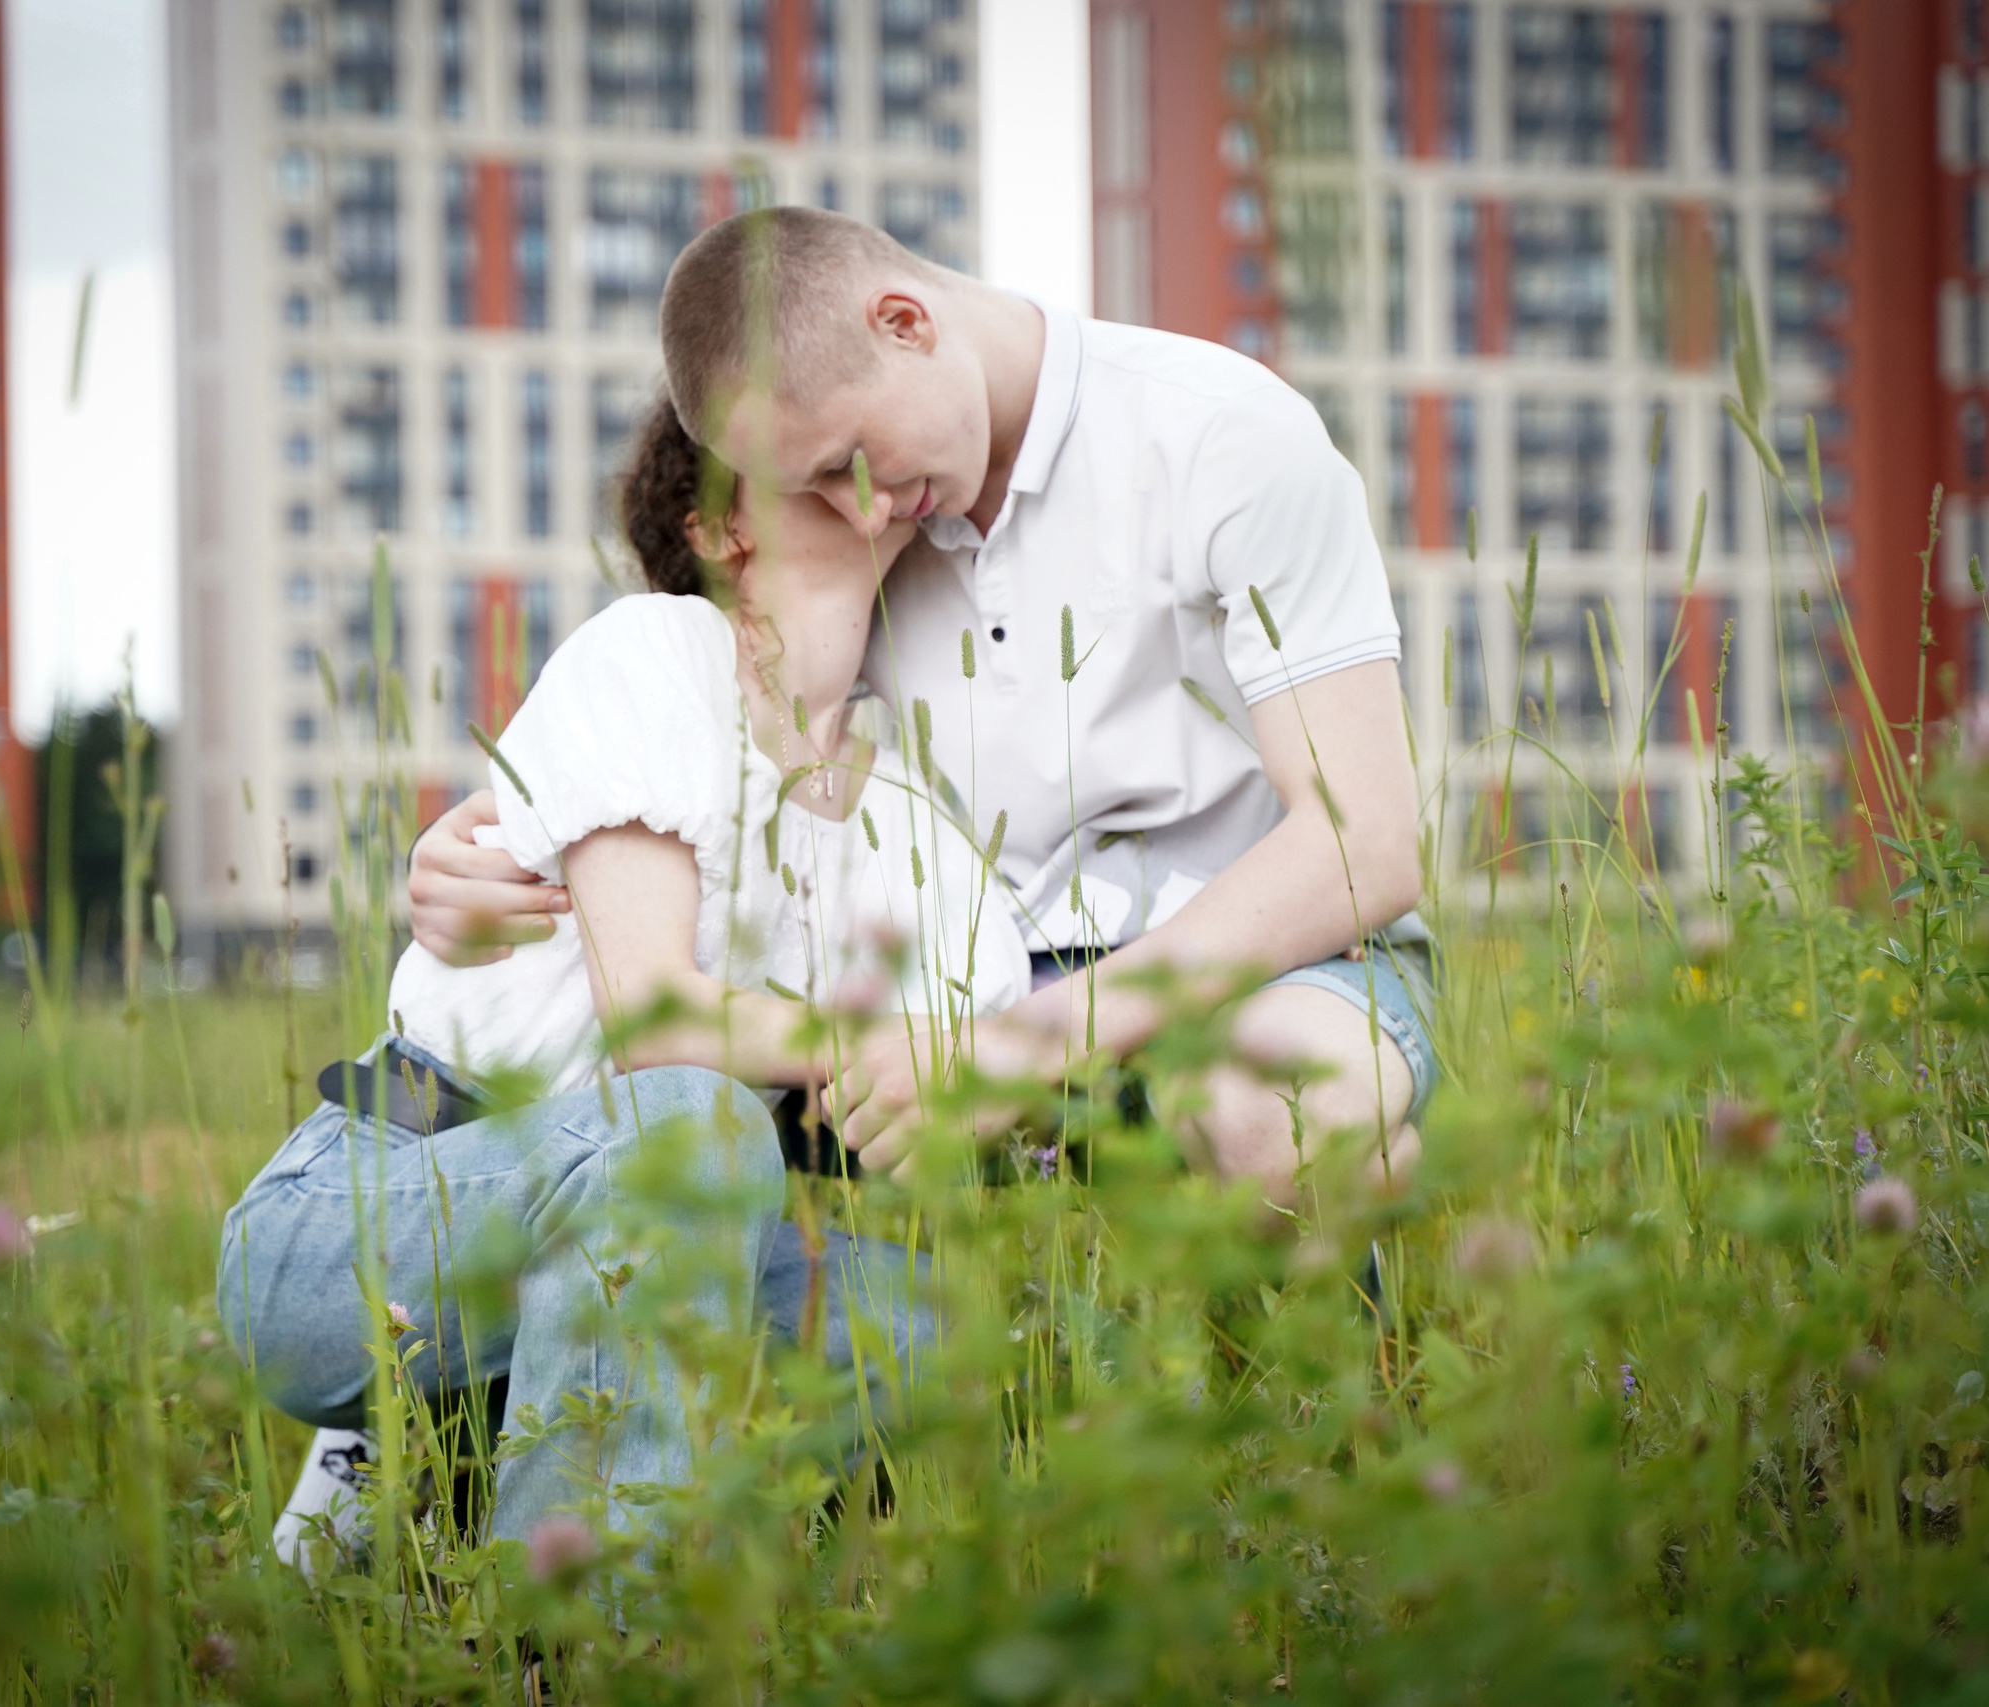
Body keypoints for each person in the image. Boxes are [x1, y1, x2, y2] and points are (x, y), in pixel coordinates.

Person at [411, 206, 1434, 1222]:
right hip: (959, 1005)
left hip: (1262, 964)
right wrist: (483, 859)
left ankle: (1398, 1274)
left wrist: (1021, 1048)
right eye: (810, 491)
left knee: (1272, 1118)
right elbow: (722, 736)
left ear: (904, 321)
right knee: (760, 1205)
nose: (860, 510)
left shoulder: (1221, 434)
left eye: (843, 462)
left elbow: (1367, 844)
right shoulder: (882, 535)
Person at [222, 396, 1029, 1575]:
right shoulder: (651, 653)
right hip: (378, 1210)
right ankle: (577, 1642)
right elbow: (657, 1017)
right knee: (690, 1121)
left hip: (669, 1230)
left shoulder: (909, 800)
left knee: (942, 1328)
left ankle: (469, 1453)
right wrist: (881, 1042)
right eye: (809, 451)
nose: (862, 458)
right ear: (716, 526)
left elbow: (967, 1060)